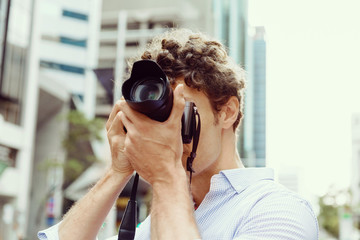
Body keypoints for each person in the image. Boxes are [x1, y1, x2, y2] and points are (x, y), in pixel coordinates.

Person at [38, 28, 319, 240]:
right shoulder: (159, 214)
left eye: (181, 112)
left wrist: (164, 173)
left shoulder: (277, 209)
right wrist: (117, 171)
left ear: (227, 112)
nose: (166, 130)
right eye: (160, 115)